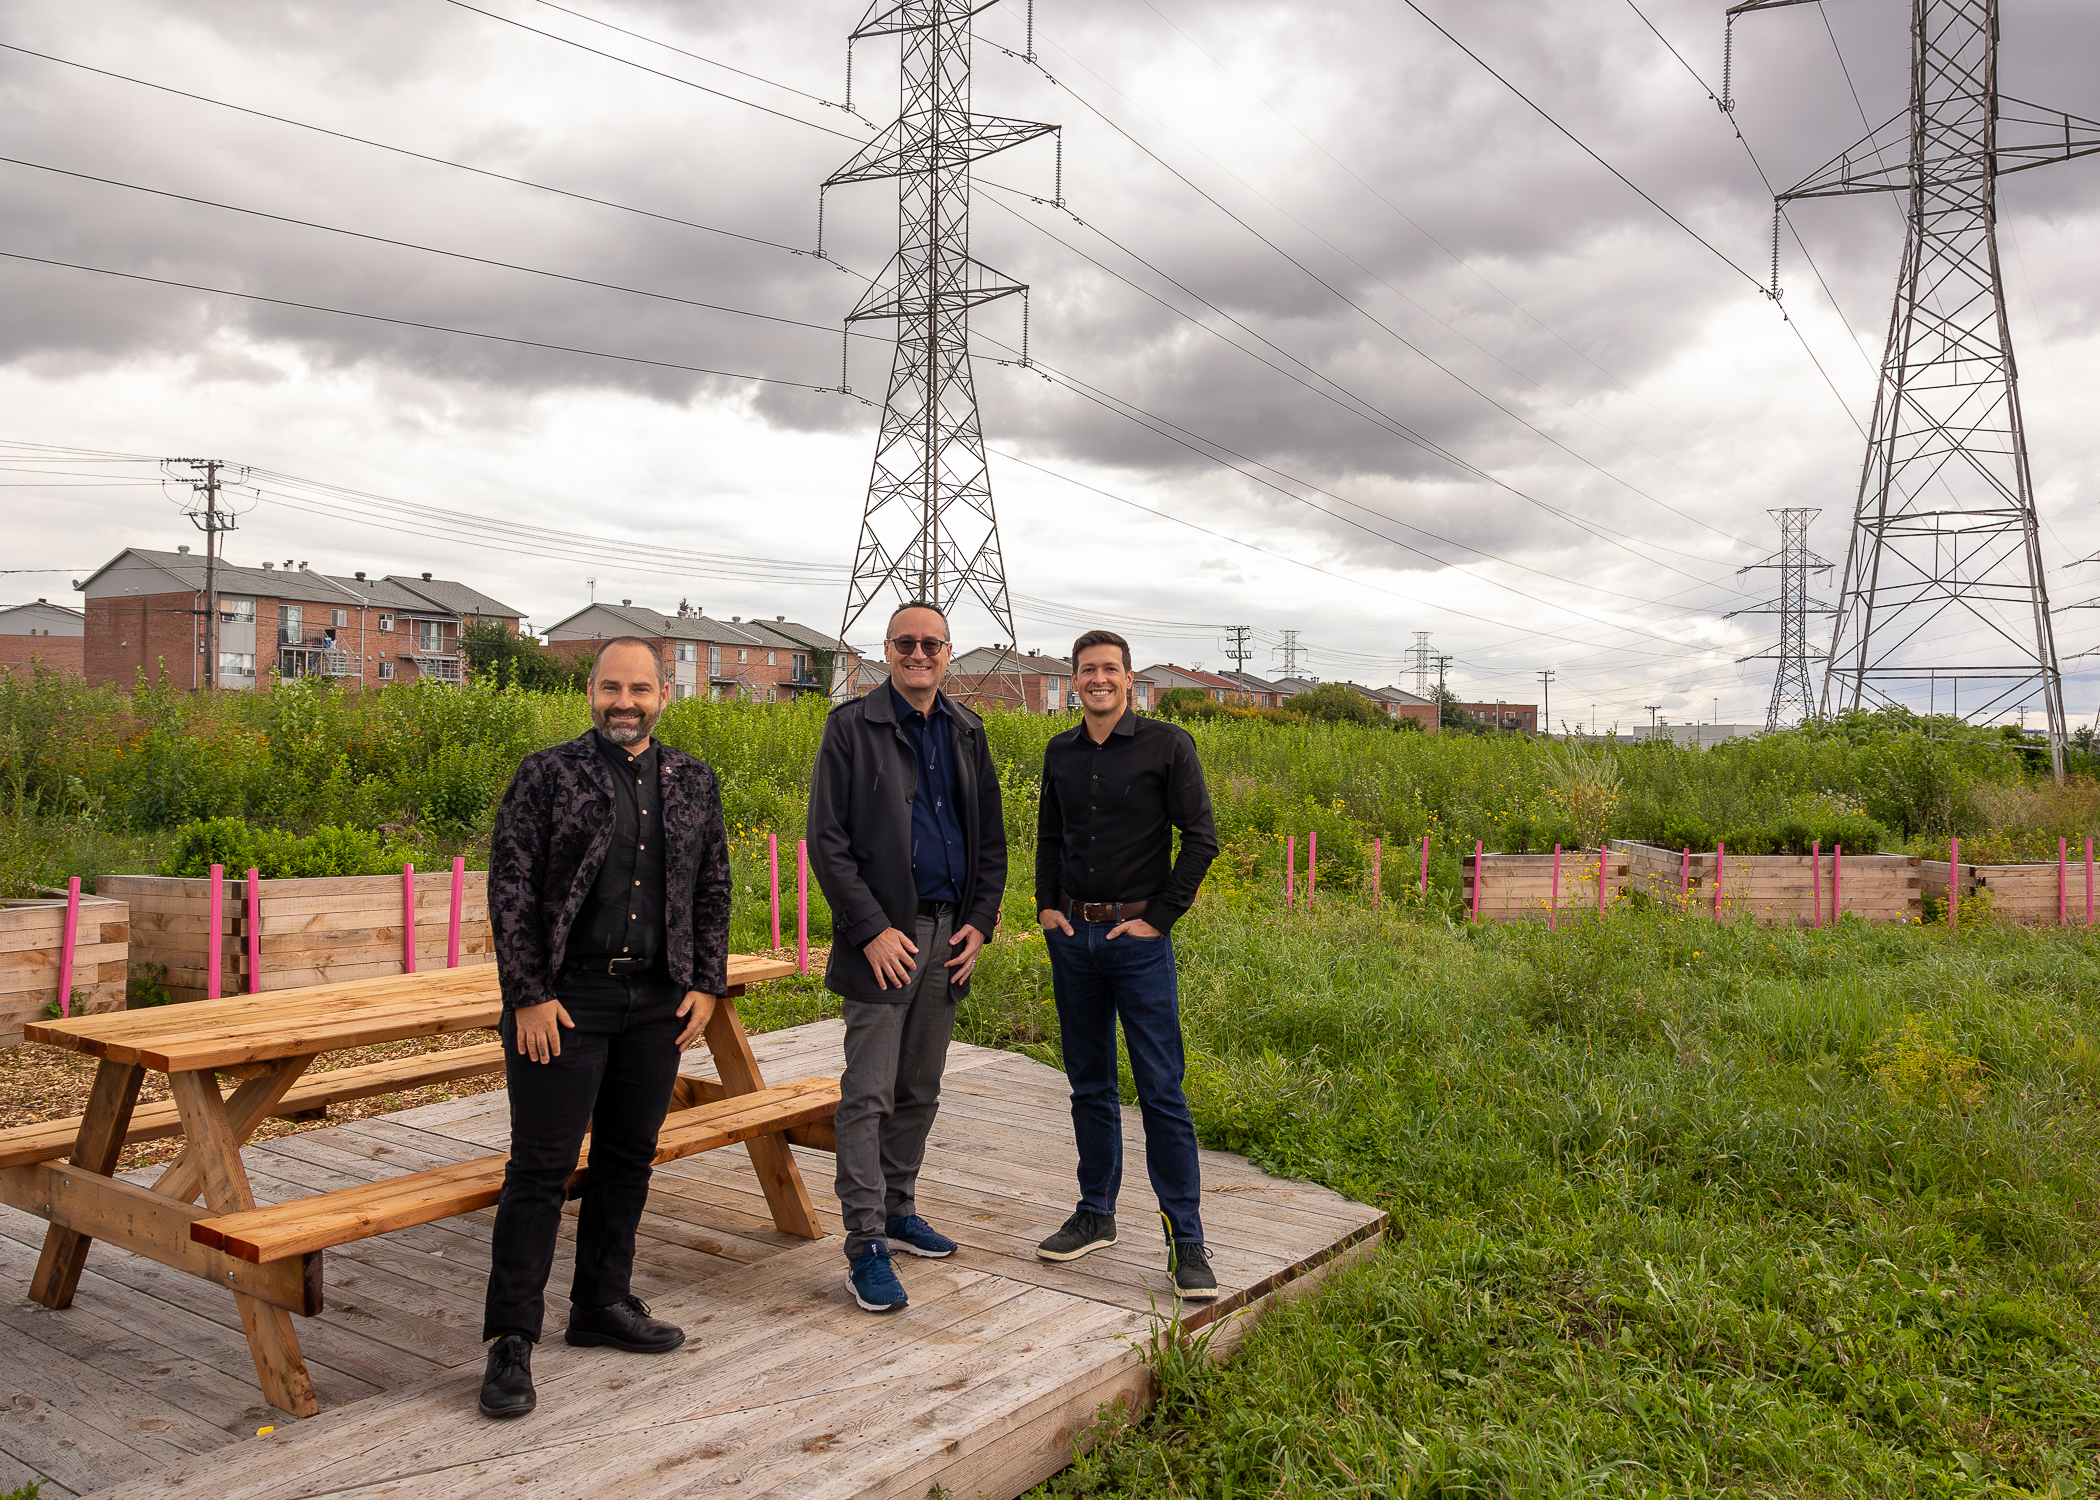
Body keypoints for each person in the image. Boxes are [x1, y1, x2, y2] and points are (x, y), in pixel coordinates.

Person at [478, 636, 732, 1418]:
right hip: (565, 1001)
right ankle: (511, 1342)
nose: (625, 702)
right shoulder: (547, 775)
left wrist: (708, 985)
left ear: (666, 695)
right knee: (541, 1170)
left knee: (628, 1159)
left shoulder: (692, 779)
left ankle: (600, 1304)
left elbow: (715, 882)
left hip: (657, 1002)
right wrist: (527, 994)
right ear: (590, 691)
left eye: (640, 690)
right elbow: (510, 887)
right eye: (610, 688)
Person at [807, 600, 1007, 1313]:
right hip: (884, 941)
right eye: (905, 643)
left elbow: (991, 844)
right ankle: (864, 1244)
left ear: (949, 653)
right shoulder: (851, 730)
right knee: (868, 1094)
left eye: (932, 643)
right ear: (886, 651)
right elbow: (827, 841)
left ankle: (898, 1207)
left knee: (920, 1087)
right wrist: (870, 928)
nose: (918, 653)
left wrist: (980, 923)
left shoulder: (968, 731)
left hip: (950, 937)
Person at [1033, 628, 1221, 1300]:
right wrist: (1045, 908)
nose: (1099, 680)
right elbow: (1049, 833)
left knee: (1162, 1091)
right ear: (1075, 680)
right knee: (1089, 1084)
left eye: (1110, 670)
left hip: (1137, 944)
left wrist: (1159, 920)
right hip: (1073, 940)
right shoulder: (1060, 751)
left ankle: (1187, 1237)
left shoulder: (1167, 746)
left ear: (1130, 679)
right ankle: (1095, 1214)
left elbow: (1201, 839)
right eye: (1088, 671)